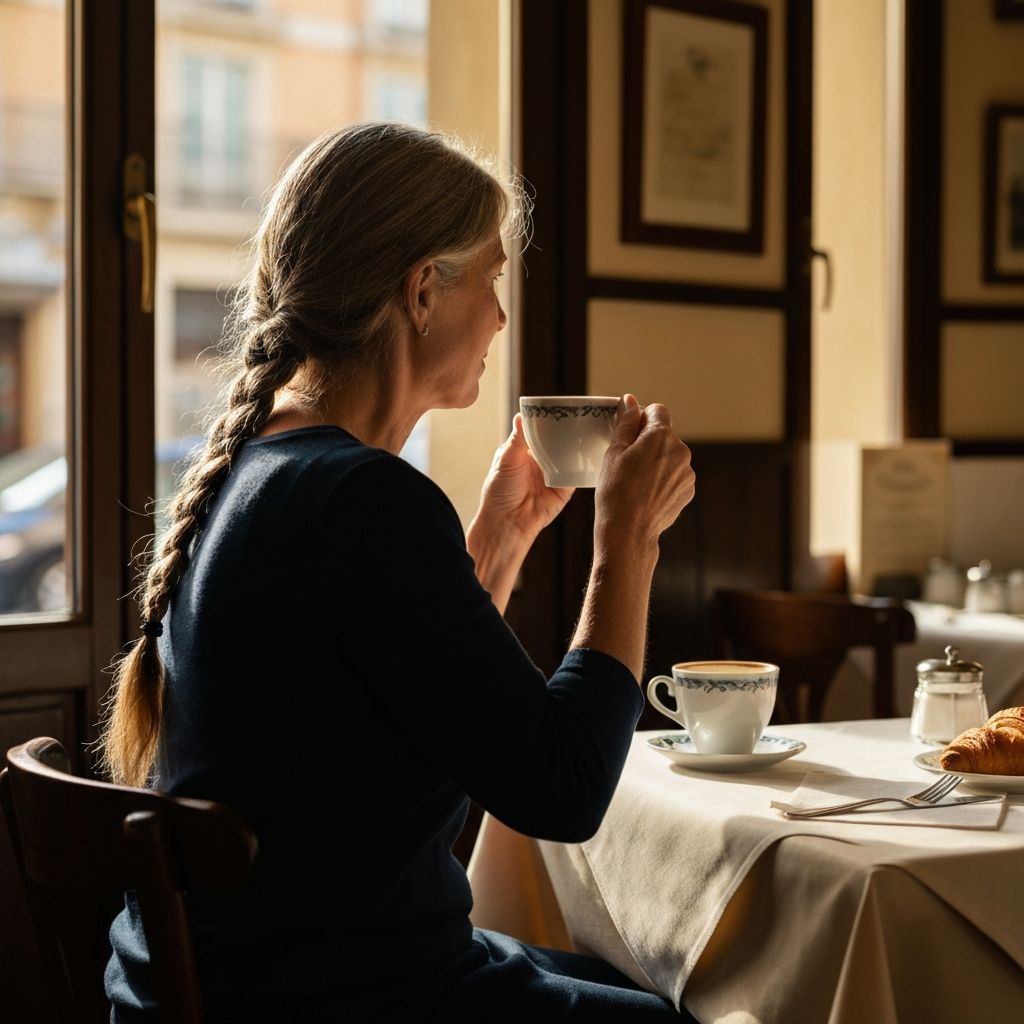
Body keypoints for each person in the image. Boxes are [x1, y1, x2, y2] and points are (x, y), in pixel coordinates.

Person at [99, 121, 696, 1022]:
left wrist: (499, 541)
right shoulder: (365, 499)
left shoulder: (259, 468)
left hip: (234, 982)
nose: (500, 317)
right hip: (342, 996)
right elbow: (563, 787)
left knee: (631, 980)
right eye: (492, 278)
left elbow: (408, 697)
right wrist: (629, 540)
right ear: (423, 291)